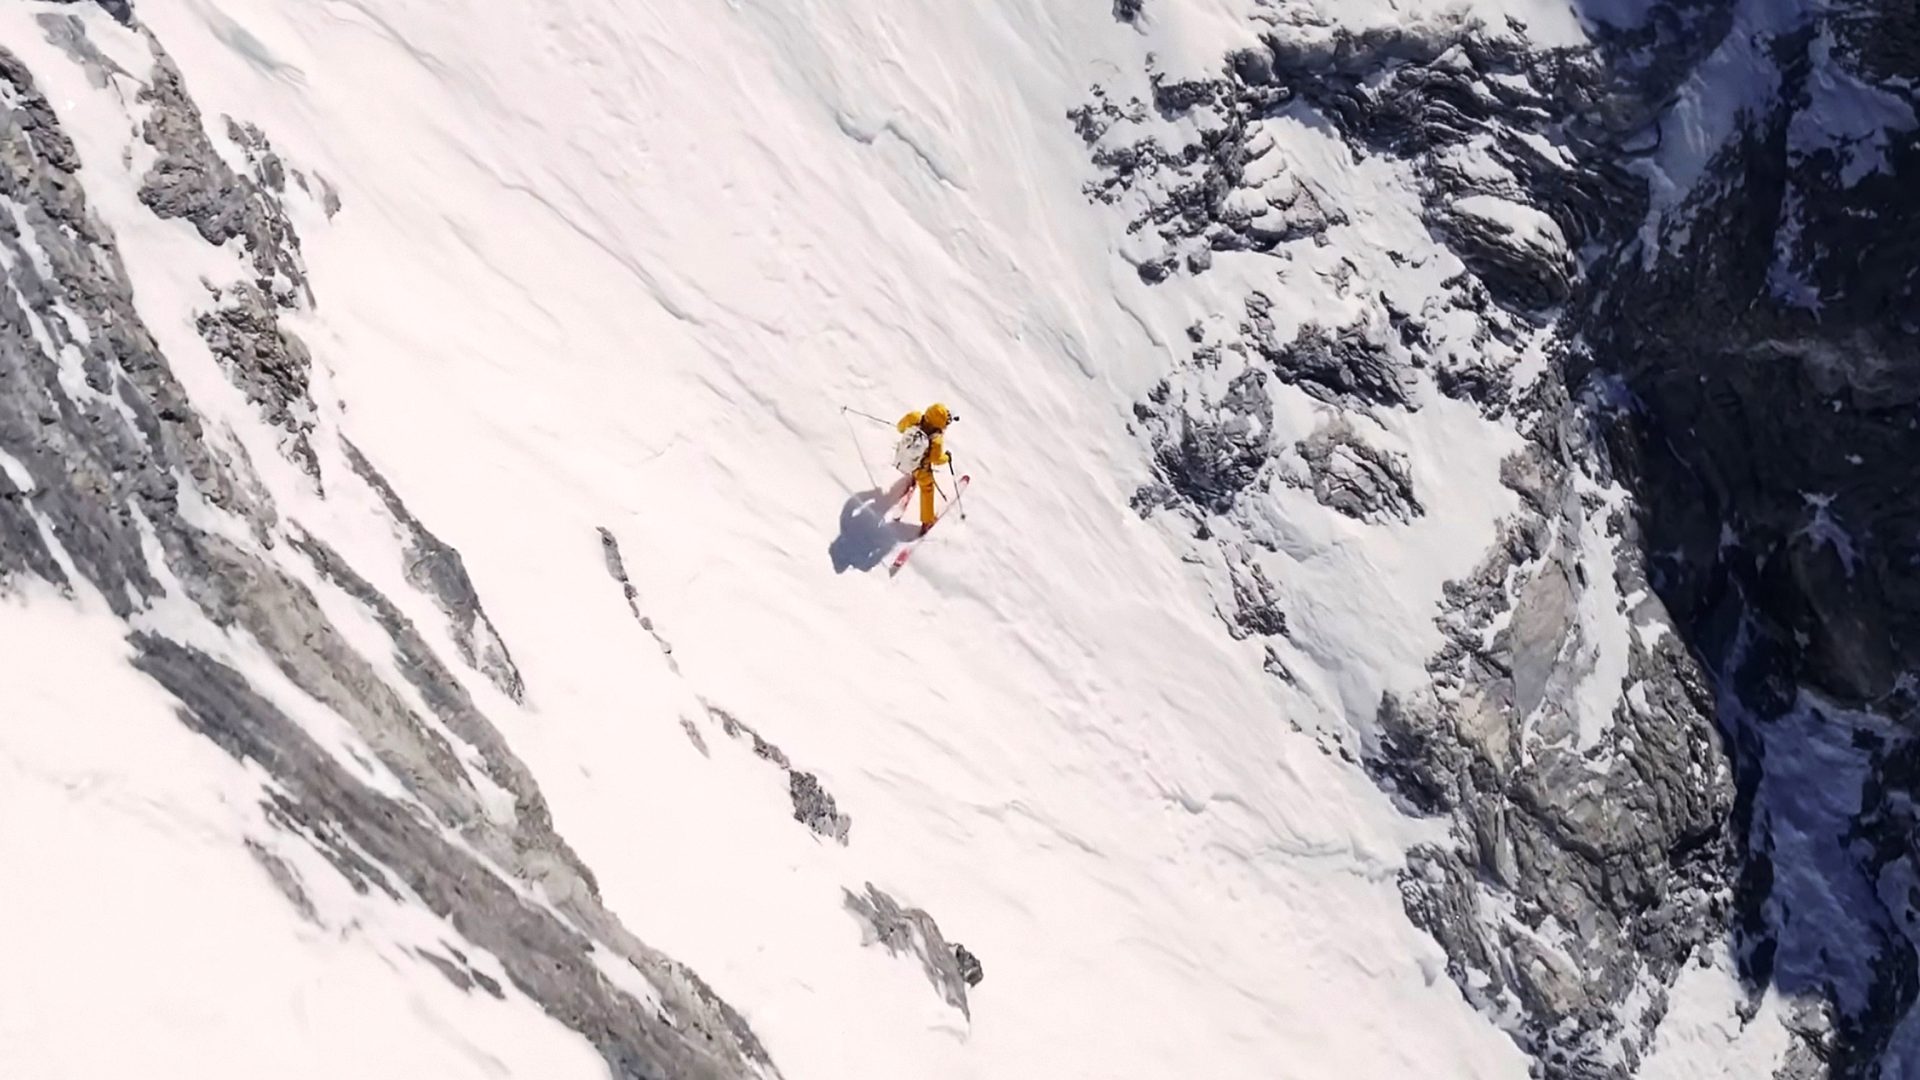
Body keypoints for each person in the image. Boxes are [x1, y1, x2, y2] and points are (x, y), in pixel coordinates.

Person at [895, 403, 957, 534]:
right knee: (927, 489)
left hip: (903, 457)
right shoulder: (936, 439)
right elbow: (936, 459)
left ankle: (911, 476)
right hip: (921, 469)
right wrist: (947, 457)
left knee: (913, 465)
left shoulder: (915, 417)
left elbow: (900, 427)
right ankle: (926, 520)